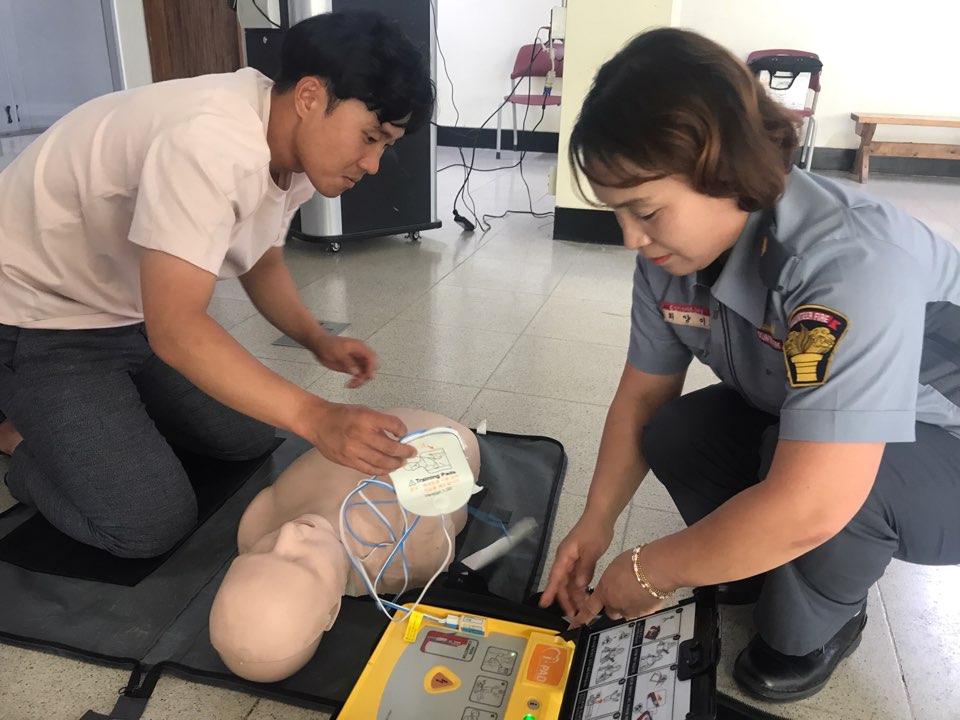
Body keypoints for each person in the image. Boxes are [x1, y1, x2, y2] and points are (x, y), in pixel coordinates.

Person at [540, 27, 960, 702]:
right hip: (838, 428)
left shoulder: (849, 265)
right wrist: (595, 526)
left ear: (726, 170)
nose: (630, 238)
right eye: (618, 212)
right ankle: (758, 557)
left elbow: (816, 500)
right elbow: (643, 396)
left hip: (943, 449)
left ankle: (824, 623)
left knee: (825, 504)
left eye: (645, 211)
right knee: (677, 431)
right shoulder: (671, 257)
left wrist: (653, 569)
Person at [0, 11, 433, 558]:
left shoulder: (290, 146)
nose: (372, 164)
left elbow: (261, 260)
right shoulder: (210, 141)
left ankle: (100, 420)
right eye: (370, 137)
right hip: (40, 319)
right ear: (309, 96)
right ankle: (18, 438)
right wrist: (317, 416)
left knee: (245, 440)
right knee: (148, 525)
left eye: (386, 145)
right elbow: (177, 331)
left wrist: (316, 339)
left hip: (129, 311)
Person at [209, 408, 477, 682]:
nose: (288, 532)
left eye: (262, 551)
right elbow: (447, 519)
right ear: (332, 611)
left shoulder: (260, 522)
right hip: (449, 438)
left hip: (367, 424)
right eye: (299, 561)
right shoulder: (411, 557)